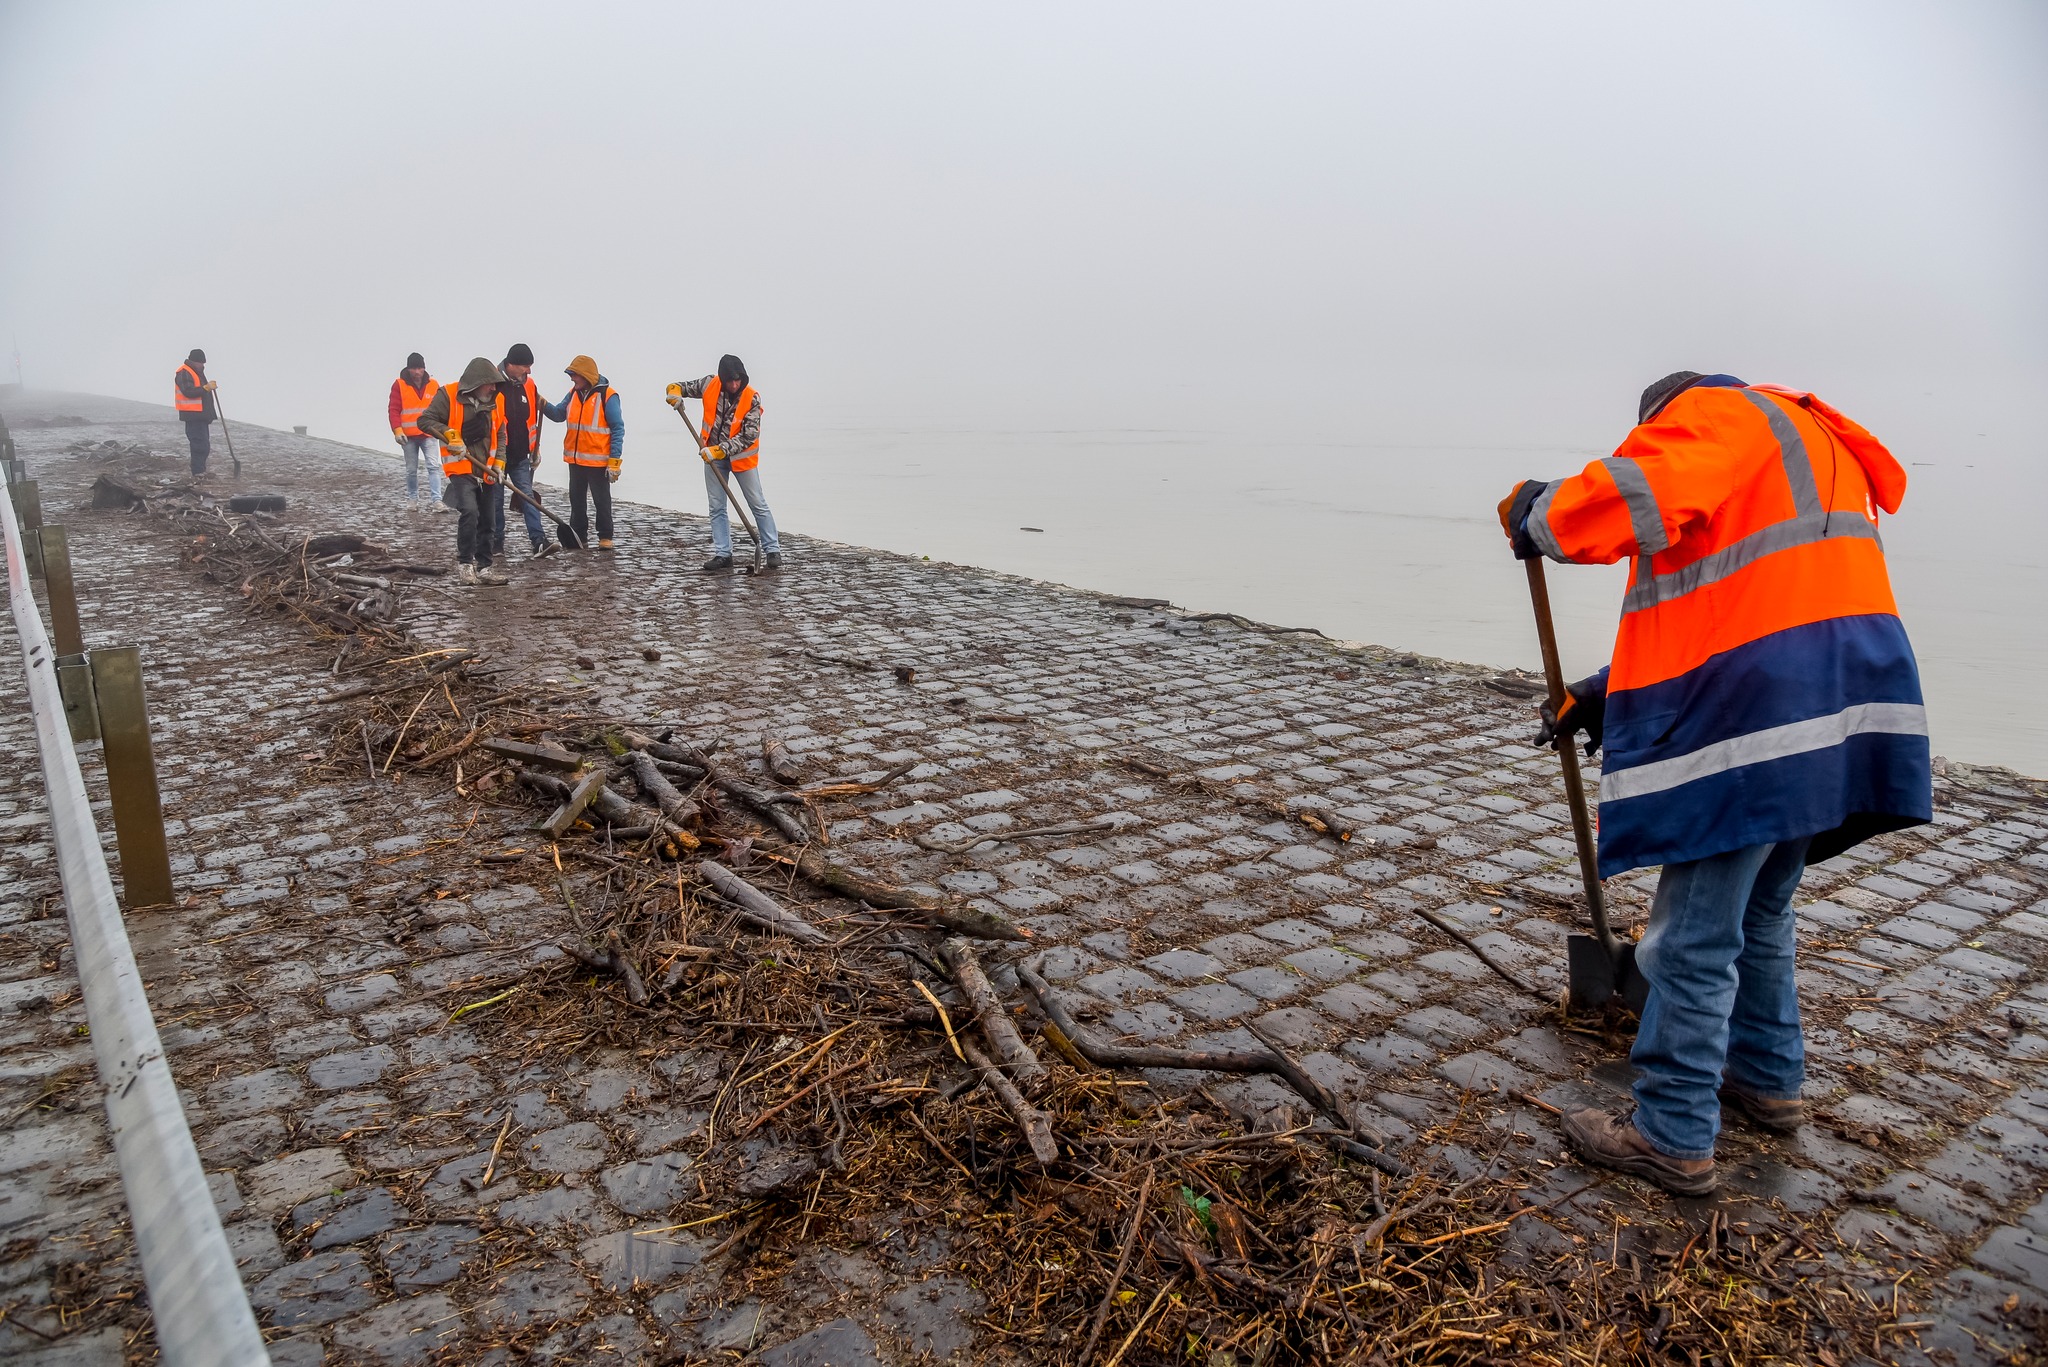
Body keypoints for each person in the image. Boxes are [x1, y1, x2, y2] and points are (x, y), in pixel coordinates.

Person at [1497, 371, 1931, 1195]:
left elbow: (1628, 500)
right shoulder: (1808, 440)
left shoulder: (1710, 419)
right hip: (1838, 706)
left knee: (1692, 932)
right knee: (1762, 906)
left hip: (1758, 717)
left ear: (1661, 417)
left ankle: (1670, 1129)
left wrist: (1539, 512)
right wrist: (1603, 692)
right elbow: (1747, 603)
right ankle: (1766, 1077)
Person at [665, 354, 780, 571]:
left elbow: (748, 437)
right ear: (722, 378)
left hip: (740, 459)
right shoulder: (710, 384)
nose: (734, 384)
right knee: (717, 506)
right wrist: (674, 393)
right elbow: (680, 387)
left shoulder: (752, 398)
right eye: (730, 381)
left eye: (738, 380)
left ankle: (772, 549)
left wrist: (720, 450)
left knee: (757, 504)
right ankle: (723, 554)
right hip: (712, 457)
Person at [414, 357, 508, 585]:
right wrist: (449, 434)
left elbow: (501, 433)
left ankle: (485, 568)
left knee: (488, 521)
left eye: (496, 384)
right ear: (477, 382)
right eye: (490, 383)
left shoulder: (497, 400)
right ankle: (465, 565)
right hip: (460, 467)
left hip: (487, 471)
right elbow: (424, 420)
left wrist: (500, 463)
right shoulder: (448, 395)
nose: (494, 388)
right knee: (470, 512)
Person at [542, 355, 622, 551]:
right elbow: (559, 414)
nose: (571, 378)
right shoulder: (573, 394)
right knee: (576, 501)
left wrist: (614, 461)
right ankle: (579, 537)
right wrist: (542, 404)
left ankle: (606, 537)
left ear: (585, 375)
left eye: (574, 375)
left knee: (601, 500)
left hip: (598, 461)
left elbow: (618, 428)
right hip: (575, 459)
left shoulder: (608, 396)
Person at [491, 343, 558, 557]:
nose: (528, 371)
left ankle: (539, 541)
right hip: (495, 456)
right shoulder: (492, 382)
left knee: (528, 497)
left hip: (521, 455)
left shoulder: (529, 385)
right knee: (496, 501)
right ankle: (496, 543)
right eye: (525, 366)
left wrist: (535, 450)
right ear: (511, 364)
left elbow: (532, 419)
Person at [387, 353, 447, 509]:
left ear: (424, 368)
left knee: (433, 466)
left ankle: (437, 500)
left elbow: (442, 408)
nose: (417, 372)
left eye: (420, 368)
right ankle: (412, 499)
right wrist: (397, 430)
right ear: (408, 369)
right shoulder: (399, 385)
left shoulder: (434, 385)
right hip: (408, 436)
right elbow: (393, 409)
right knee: (411, 470)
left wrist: (444, 429)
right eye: (413, 368)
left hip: (430, 434)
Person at [172, 349, 217, 476]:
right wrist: (206, 388)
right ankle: (198, 472)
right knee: (199, 445)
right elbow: (188, 391)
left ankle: (200, 470)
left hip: (200, 415)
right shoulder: (184, 372)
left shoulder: (197, 372)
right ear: (194, 361)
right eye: (201, 362)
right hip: (193, 415)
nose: (203, 365)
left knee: (204, 445)